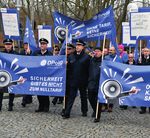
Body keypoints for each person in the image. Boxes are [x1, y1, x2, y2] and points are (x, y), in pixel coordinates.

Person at [62, 39, 90, 119]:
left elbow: (88, 70)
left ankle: (84, 111)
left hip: (82, 80)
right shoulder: (71, 56)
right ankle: (67, 112)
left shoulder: (86, 57)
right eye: (77, 45)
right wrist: (66, 65)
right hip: (73, 80)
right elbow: (69, 69)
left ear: (83, 47)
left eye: (79, 45)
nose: (77, 47)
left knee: (83, 96)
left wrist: (87, 80)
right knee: (71, 96)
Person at [33, 38, 52, 112]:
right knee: (39, 92)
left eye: (44, 44)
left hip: (46, 75)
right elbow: (30, 61)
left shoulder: (50, 54)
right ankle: (41, 106)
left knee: (45, 91)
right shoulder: (36, 53)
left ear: (46, 45)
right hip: (38, 75)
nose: (42, 45)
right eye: (41, 44)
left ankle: (46, 106)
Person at [0, 38, 17, 111]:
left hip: (12, 74)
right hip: (3, 74)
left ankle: (10, 105)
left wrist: (28, 53)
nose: (8, 46)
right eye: (6, 44)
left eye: (9, 44)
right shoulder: (1, 54)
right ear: (4, 45)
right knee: (1, 91)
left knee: (11, 90)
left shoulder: (16, 54)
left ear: (11, 45)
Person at [104, 46, 122, 112]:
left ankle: (111, 106)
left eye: (112, 50)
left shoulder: (119, 59)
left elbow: (121, 67)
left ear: (115, 51)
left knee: (112, 91)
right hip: (107, 76)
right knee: (105, 90)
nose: (110, 51)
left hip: (115, 77)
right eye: (110, 50)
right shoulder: (106, 57)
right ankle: (105, 105)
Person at [87, 47, 103, 122]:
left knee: (98, 99)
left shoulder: (104, 61)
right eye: (95, 51)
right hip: (91, 82)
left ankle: (97, 115)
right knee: (90, 98)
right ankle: (95, 109)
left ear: (101, 52)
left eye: (98, 51)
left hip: (99, 83)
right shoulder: (91, 60)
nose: (96, 52)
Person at [61, 43, 75, 116]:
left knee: (70, 96)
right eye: (66, 49)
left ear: (72, 49)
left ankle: (67, 111)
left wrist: (68, 63)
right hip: (64, 79)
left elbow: (73, 63)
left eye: (69, 49)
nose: (67, 50)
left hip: (71, 79)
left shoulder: (73, 56)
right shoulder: (63, 56)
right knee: (65, 95)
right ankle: (64, 108)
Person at [20, 42, 33, 107]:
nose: (26, 46)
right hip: (23, 71)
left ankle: (28, 99)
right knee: (25, 85)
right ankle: (24, 100)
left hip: (30, 71)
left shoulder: (32, 52)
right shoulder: (21, 52)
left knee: (29, 85)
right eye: (25, 45)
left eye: (27, 45)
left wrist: (29, 54)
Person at [138, 48, 150, 114]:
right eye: (145, 51)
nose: (146, 52)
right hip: (143, 79)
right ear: (142, 52)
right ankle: (143, 108)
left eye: (147, 51)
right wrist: (139, 63)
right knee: (143, 94)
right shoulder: (140, 59)